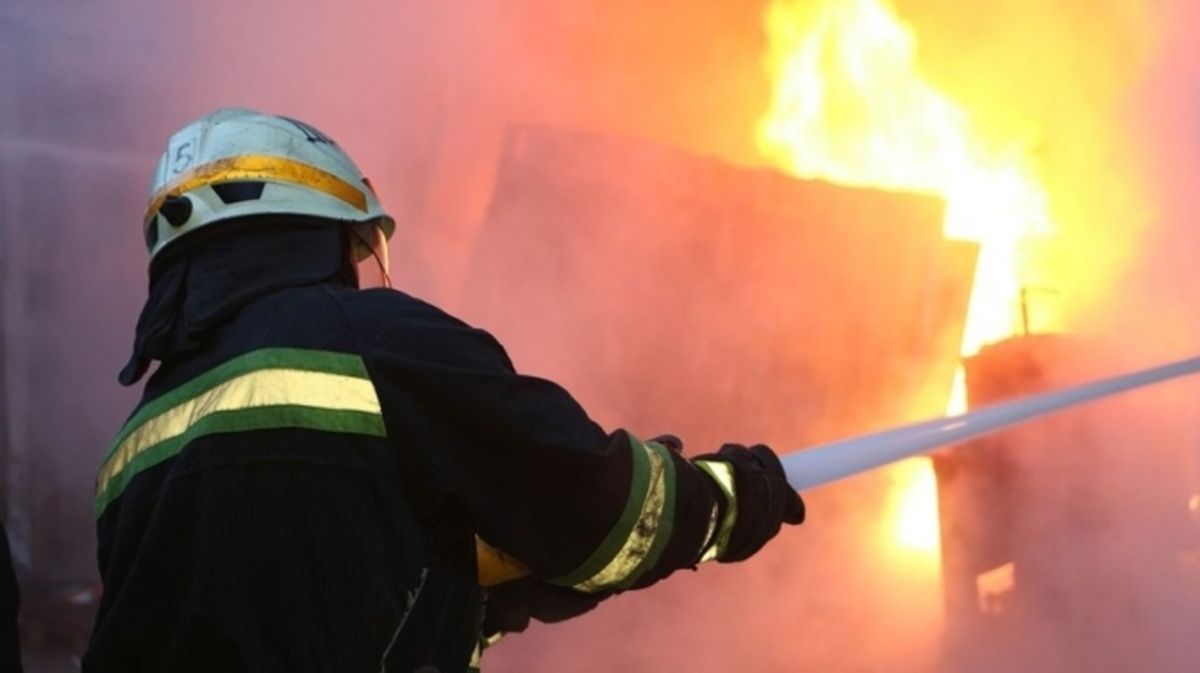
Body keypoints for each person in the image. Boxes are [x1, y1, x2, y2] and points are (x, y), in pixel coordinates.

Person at [84, 108, 804, 673]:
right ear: (315, 232)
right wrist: (730, 500)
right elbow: (595, 506)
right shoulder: (371, 340)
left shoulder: (131, 447)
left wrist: (474, 589)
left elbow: (295, 592)